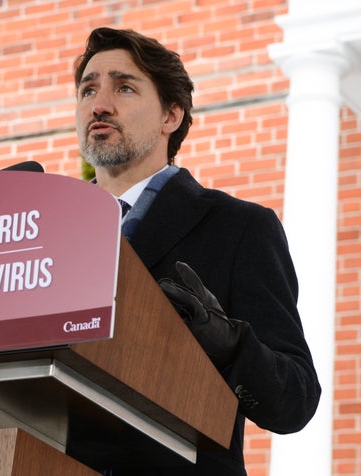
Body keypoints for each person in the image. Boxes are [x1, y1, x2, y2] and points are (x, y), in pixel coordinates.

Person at [71, 27, 321, 475]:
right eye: (88, 88)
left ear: (171, 116)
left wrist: (232, 349)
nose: (99, 104)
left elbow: (295, 400)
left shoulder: (240, 228)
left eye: (123, 87)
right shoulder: (50, 234)